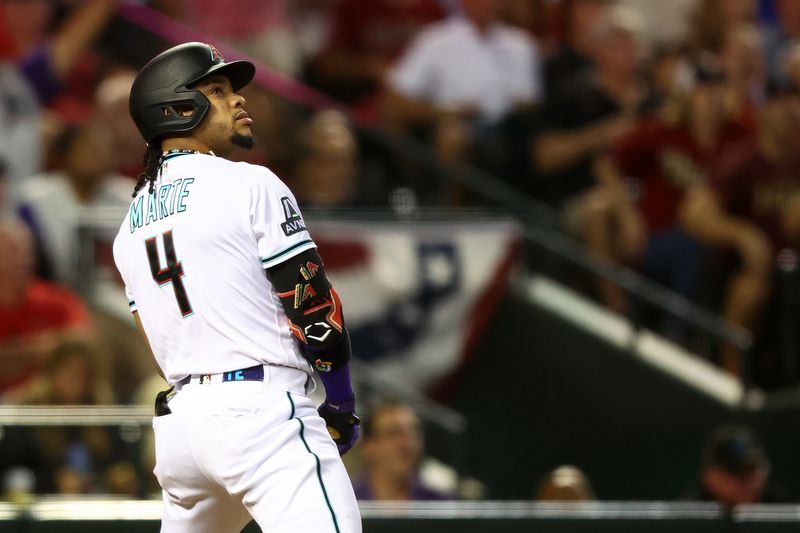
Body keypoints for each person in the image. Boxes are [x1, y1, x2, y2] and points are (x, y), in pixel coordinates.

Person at [112, 42, 361, 532]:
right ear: (180, 108)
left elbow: (155, 337)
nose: (239, 99)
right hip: (260, 413)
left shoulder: (128, 228)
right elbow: (313, 305)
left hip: (183, 431)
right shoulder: (249, 183)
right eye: (219, 90)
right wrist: (341, 401)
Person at [0, 221, 93, 395]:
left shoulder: (57, 300)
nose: (21, 261)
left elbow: (83, 343)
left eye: (26, 253)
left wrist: (11, 355)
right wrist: (46, 349)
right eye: (11, 252)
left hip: (50, 402)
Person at [351, 401, 450, 500]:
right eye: (394, 433)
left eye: (414, 432)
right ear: (368, 446)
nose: (407, 443)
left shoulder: (439, 503)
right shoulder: (346, 499)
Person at [682, 425, 791, 506]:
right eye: (736, 473)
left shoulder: (781, 507)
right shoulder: (687, 514)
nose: (746, 482)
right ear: (709, 475)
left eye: (751, 470)